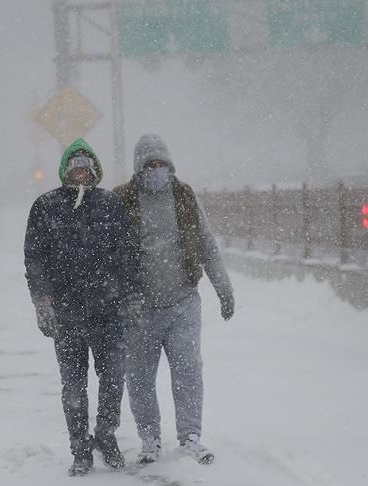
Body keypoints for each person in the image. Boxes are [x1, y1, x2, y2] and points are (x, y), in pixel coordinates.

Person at [114, 133, 235, 465]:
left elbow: (207, 244)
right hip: (140, 309)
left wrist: (223, 288)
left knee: (188, 372)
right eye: (149, 165)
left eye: (160, 164)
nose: (155, 170)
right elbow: (106, 254)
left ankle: (190, 437)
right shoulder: (122, 200)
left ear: (169, 166)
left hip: (182, 303)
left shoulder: (183, 196)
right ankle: (150, 439)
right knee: (139, 377)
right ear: (139, 168)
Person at [24, 138, 140, 477]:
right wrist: (42, 300)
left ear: (95, 171)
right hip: (67, 313)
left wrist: (130, 296)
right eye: (75, 167)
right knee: (73, 385)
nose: (81, 174)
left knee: (114, 377)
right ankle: (80, 447)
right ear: (64, 171)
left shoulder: (110, 204)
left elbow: (127, 254)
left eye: (87, 168)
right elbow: (35, 258)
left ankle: (106, 434)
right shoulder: (45, 206)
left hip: (108, 310)